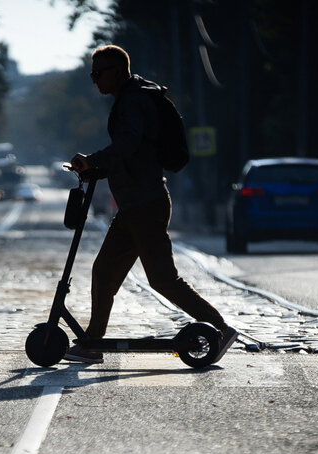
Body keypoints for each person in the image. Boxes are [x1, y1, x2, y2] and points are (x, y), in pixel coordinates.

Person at [66, 45, 238, 363]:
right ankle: (92, 343)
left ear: (117, 71)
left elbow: (129, 144)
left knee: (162, 279)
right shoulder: (129, 99)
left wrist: (92, 161)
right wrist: (97, 171)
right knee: (104, 272)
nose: (94, 80)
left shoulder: (133, 101)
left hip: (145, 205)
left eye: (98, 72)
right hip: (133, 205)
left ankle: (221, 329)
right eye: (92, 73)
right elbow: (132, 154)